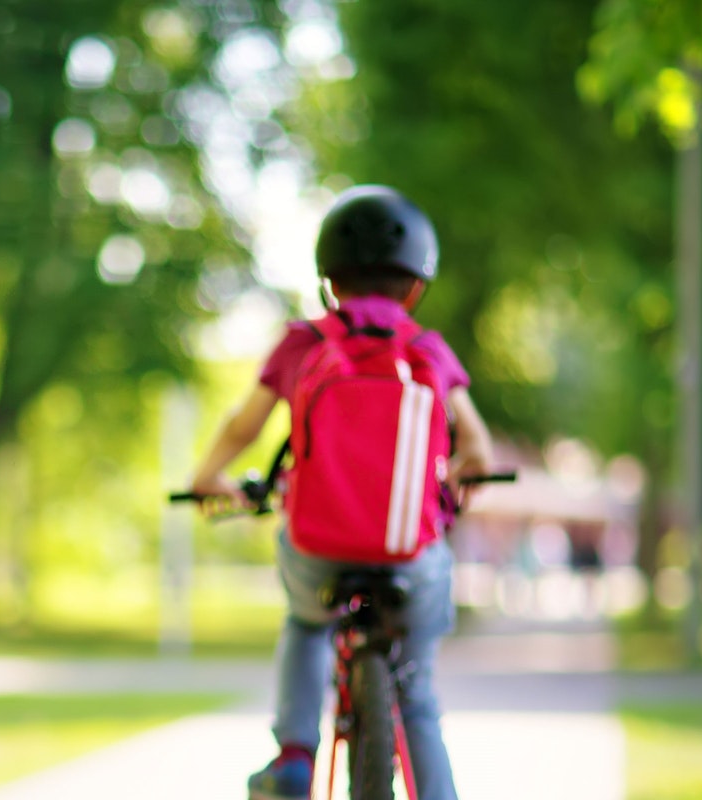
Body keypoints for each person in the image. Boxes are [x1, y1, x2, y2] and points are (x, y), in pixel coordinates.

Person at [186, 186, 495, 800]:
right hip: (411, 553)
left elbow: (244, 425)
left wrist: (208, 477)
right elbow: (478, 452)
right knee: (420, 693)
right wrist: (456, 490)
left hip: (317, 547)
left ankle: (296, 756)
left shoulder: (303, 346)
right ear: (416, 286)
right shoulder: (426, 350)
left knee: (306, 624)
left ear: (329, 279)